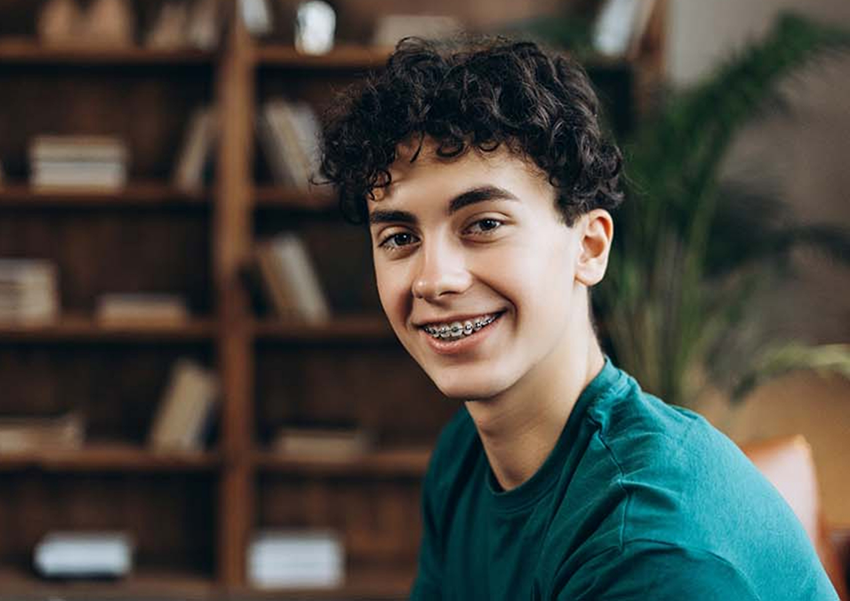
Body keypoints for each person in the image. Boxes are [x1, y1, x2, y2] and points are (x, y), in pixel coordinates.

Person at [319, 37, 838, 600]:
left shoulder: (649, 549)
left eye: (484, 224)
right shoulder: (465, 455)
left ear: (588, 247)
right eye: (399, 237)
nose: (433, 278)